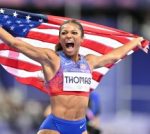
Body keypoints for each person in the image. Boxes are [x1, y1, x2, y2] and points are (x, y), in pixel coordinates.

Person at [0, 19, 145, 134]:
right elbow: (15, 43)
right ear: (60, 39)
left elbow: (114, 56)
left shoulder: (89, 61)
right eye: (64, 33)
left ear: (82, 39)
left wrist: (135, 42)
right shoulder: (52, 59)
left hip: (80, 127)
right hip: (55, 127)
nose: (68, 35)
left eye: (74, 33)